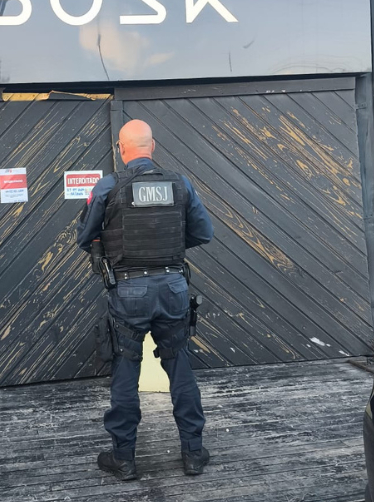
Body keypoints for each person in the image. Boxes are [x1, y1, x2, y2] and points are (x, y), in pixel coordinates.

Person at [76, 119, 214, 480]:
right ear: (152, 146)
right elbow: (204, 232)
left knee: (125, 372)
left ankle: (123, 458)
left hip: (129, 290)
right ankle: (193, 454)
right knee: (180, 368)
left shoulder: (109, 186)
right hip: (173, 287)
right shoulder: (180, 183)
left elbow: (84, 236)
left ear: (122, 149)